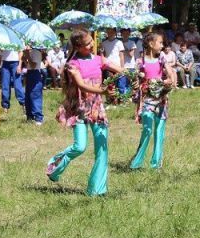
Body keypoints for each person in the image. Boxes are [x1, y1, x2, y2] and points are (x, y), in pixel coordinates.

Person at [46, 29, 124, 196]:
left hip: (97, 109)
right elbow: (81, 85)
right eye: (88, 43)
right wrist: (102, 91)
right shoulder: (72, 64)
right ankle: (55, 166)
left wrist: (136, 76)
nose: (92, 44)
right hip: (79, 108)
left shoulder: (98, 59)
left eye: (92, 41)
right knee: (80, 146)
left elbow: (120, 69)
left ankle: (97, 189)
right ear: (78, 46)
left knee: (102, 146)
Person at [130, 32, 175, 169]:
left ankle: (156, 164)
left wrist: (167, 80)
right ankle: (137, 162)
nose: (162, 45)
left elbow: (170, 74)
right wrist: (136, 82)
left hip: (161, 98)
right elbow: (135, 79)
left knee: (159, 130)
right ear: (151, 44)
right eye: (160, 43)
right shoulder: (140, 61)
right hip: (147, 99)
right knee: (147, 129)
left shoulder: (162, 58)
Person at [22, 46, 45, 125]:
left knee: (35, 95)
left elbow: (33, 65)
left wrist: (27, 55)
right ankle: (30, 116)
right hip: (29, 73)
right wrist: (25, 57)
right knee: (28, 96)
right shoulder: (31, 52)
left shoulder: (36, 52)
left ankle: (38, 118)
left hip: (35, 73)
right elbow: (28, 64)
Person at [0, 47, 25, 114]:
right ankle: (5, 107)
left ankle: (23, 104)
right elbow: (0, 51)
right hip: (5, 63)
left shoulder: (18, 38)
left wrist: (19, 65)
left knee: (17, 85)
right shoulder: (3, 39)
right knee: (5, 85)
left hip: (15, 63)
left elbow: (21, 52)